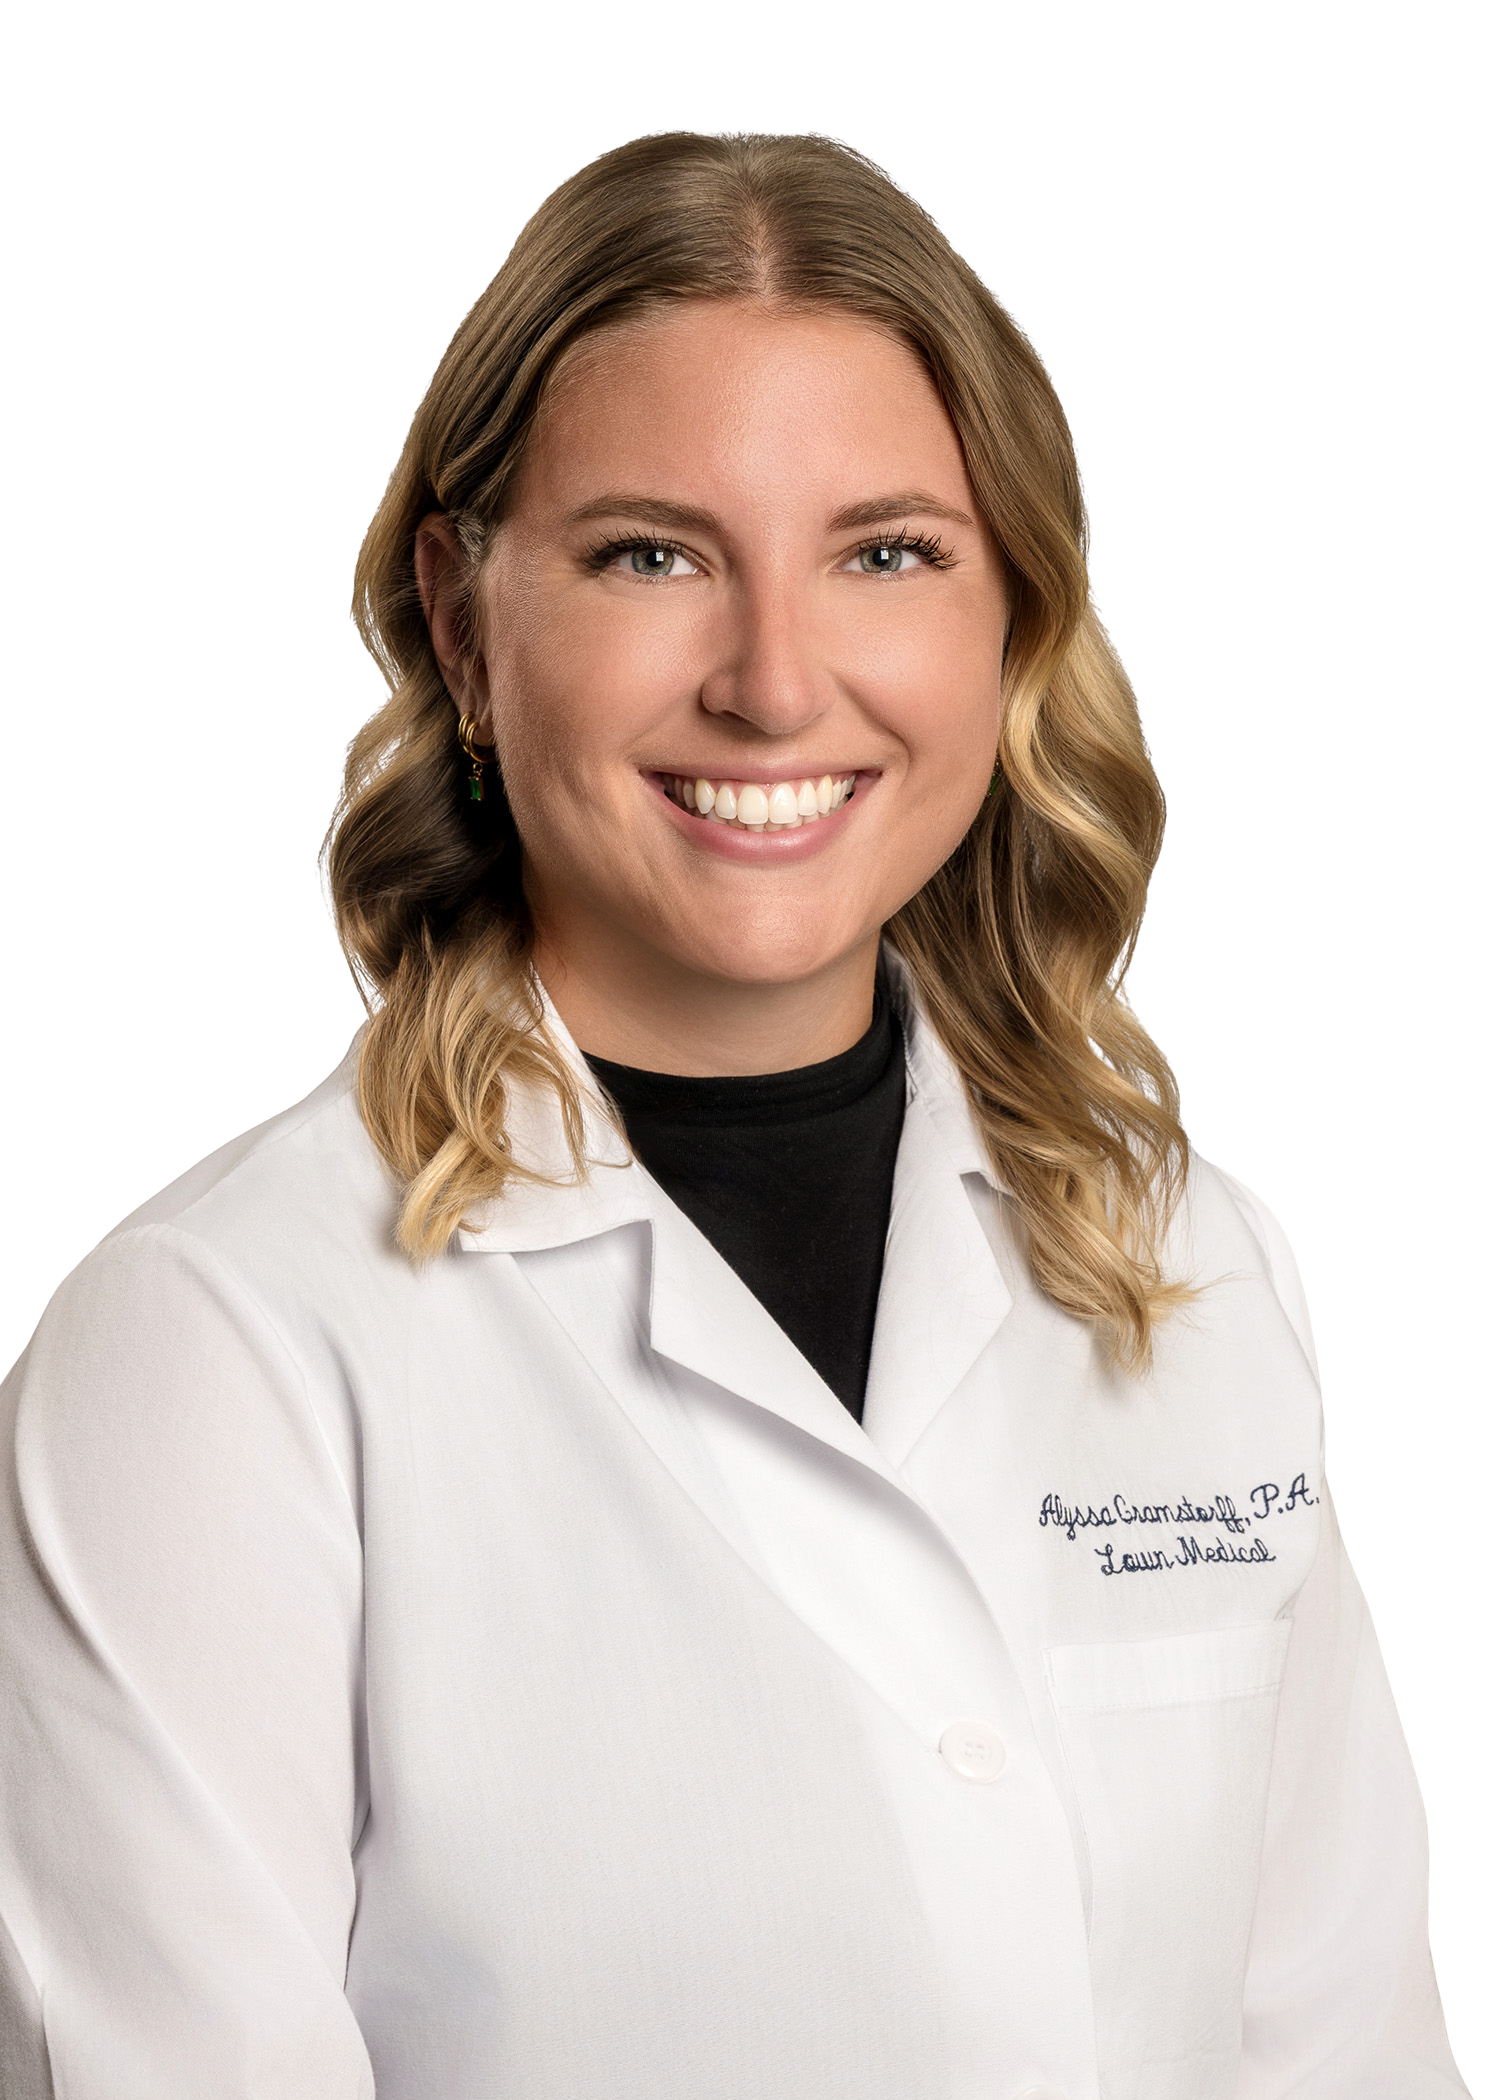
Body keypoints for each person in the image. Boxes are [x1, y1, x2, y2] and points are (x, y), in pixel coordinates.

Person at [0, 128, 1467, 2100]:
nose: (776, 686)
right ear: (462, 621)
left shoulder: (1195, 1265)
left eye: (887, 553)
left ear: (1013, 620)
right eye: (652, 555)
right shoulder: (218, 1343)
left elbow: (1346, 2053)